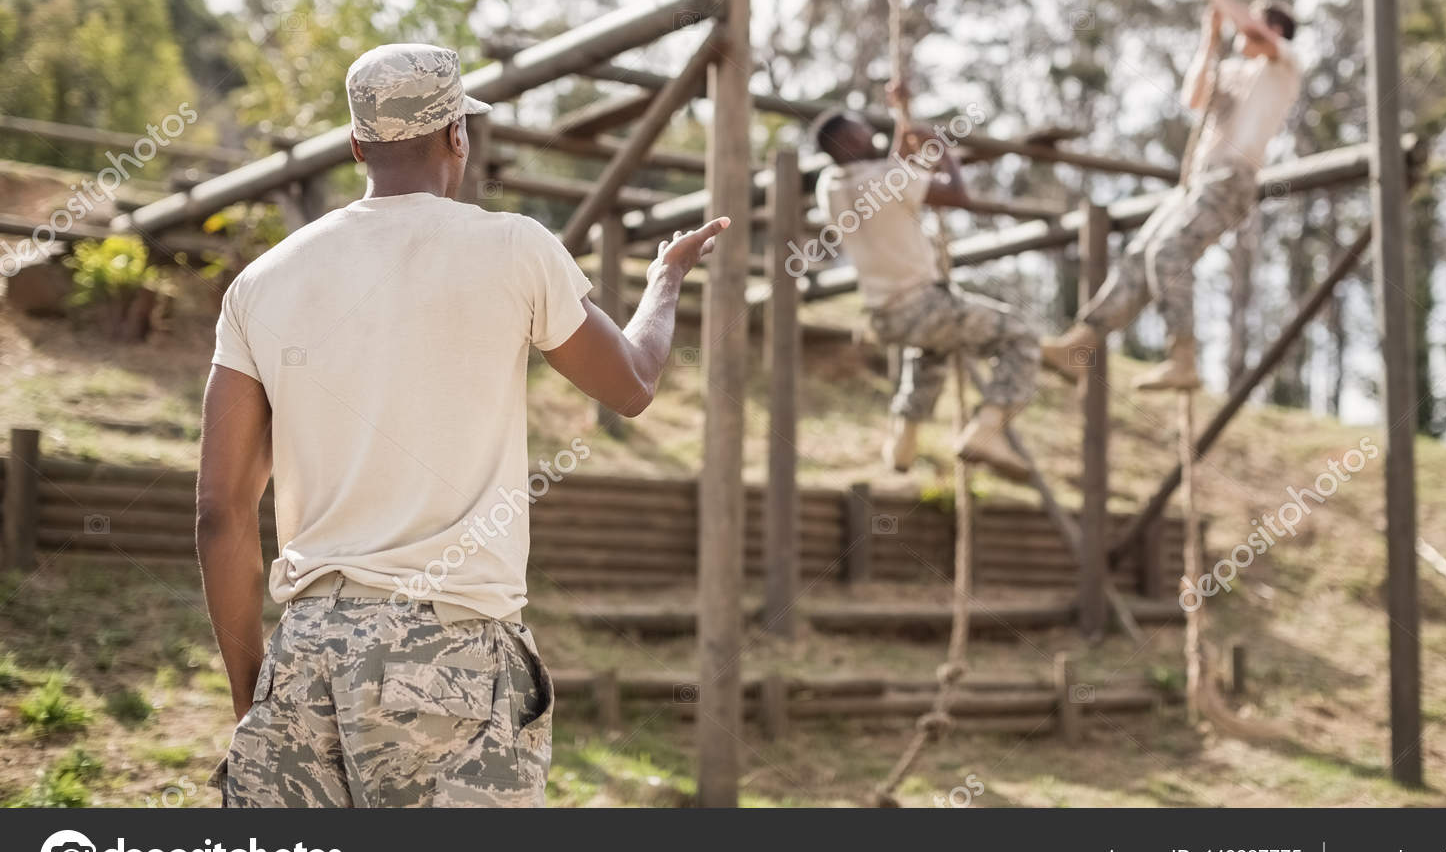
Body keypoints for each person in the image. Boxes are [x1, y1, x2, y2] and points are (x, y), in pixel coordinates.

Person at [196, 43, 728, 807]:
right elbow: (635, 382)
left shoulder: (262, 282)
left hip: (305, 652)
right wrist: (664, 282)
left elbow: (221, 511)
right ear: (457, 136)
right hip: (451, 655)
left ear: (357, 147)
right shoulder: (514, 247)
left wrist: (257, 694)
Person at [1051, 0, 1303, 391]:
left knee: (1169, 252)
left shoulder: (1285, 64)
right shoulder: (1236, 71)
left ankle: (1182, 357)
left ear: (1274, 29)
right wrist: (1210, 38)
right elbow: (1194, 98)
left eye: (1253, 21)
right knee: (1140, 255)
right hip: (1198, 181)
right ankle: (1079, 347)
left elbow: (1254, 29)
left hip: (1230, 179)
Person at [809, 101, 1075, 479]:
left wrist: (900, 108)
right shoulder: (886, 178)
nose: (871, 132)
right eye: (861, 129)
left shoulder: (830, 186)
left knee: (931, 351)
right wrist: (942, 151)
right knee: (1021, 335)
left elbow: (888, 168)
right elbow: (956, 196)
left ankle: (903, 444)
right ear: (851, 140)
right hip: (921, 303)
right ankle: (987, 429)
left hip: (886, 314)